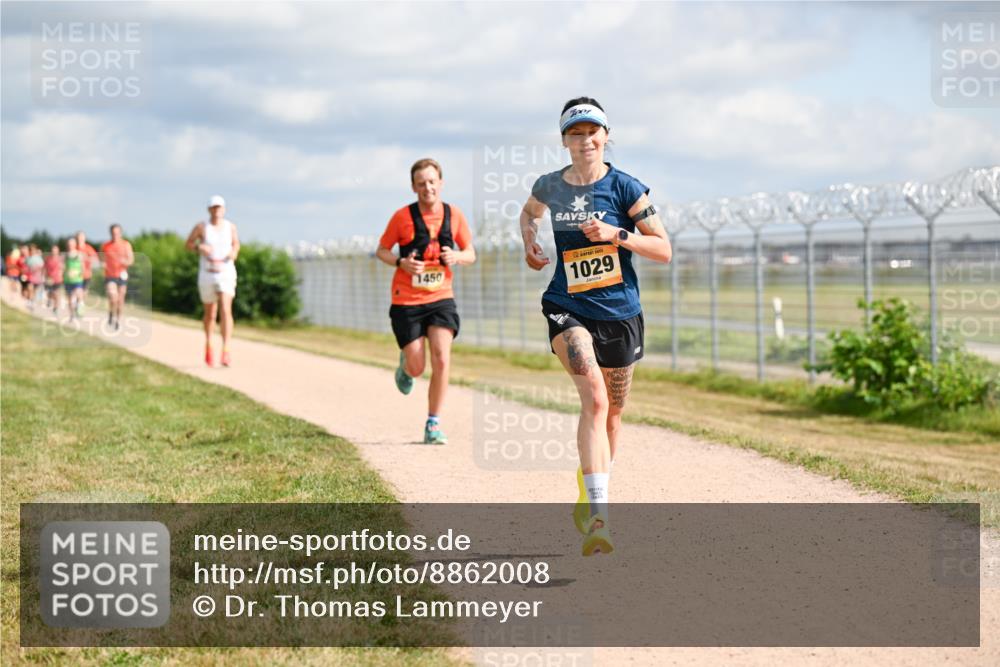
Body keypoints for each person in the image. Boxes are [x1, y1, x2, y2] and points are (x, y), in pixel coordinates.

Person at [519, 97, 671, 556]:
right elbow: (529, 213)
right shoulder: (550, 186)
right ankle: (600, 516)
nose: (585, 140)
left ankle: (590, 484)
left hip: (620, 313)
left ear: (606, 137)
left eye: (592, 132)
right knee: (596, 399)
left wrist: (616, 235)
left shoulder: (625, 188)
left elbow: (663, 249)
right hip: (567, 306)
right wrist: (530, 241)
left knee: (614, 414)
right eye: (576, 133)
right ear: (564, 140)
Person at [375, 158, 476, 445]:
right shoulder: (401, 217)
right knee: (418, 367)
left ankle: (433, 423)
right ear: (413, 187)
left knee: (442, 357)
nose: (427, 187)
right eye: (421, 183)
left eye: (432, 181)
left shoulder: (454, 215)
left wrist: (457, 256)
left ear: (440, 183)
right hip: (406, 300)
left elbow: (471, 253)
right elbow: (382, 250)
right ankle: (406, 365)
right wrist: (401, 262)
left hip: (441, 297)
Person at [186, 195, 239, 367]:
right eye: (214, 208)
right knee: (210, 313)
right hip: (207, 273)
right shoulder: (202, 227)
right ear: (209, 210)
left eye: (219, 207)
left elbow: (236, 244)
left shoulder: (230, 227)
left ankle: (226, 349)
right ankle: (209, 344)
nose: (217, 211)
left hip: (226, 272)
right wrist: (198, 247)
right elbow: (188, 244)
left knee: (225, 308)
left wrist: (234, 253)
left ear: (224, 209)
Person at [101, 224, 135, 330]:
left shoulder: (126, 245)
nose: (115, 235)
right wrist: (103, 264)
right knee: (113, 297)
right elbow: (101, 259)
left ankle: (118, 320)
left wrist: (125, 261)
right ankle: (111, 313)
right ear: (110, 233)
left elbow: (131, 260)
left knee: (120, 300)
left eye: (117, 233)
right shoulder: (105, 246)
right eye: (113, 233)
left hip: (122, 275)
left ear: (120, 233)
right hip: (110, 276)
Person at [63, 238, 85, 320]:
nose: (70, 246)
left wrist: (81, 273)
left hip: (77, 279)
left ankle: (79, 308)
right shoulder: (65, 255)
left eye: (71, 244)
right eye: (69, 244)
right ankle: (71, 315)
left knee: (78, 294)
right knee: (69, 299)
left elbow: (83, 266)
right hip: (68, 280)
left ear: (75, 245)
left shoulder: (79, 254)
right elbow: (63, 267)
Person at [76, 231, 99, 298]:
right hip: (75, 275)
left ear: (84, 238)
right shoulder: (74, 248)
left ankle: (81, 301)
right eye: (78, 237)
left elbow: (95, 259)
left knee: (84, 292)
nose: (80, 239)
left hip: (86, 274)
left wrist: (85, 257)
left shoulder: (88, 248)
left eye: (81, 237)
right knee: (76, 292)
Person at [44, 244, 64, 314]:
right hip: (49, 279)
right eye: (53, 250)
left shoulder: (61, 259)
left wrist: (61, 274)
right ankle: (49, 299)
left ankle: (56, 308)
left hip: (58, 279)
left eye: (55, 250)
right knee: (50, 293)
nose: (54, 251)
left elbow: (63, 268)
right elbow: (45, 268)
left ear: (58, 251)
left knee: (56, 293)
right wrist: (45, 277)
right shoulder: (48, 259)